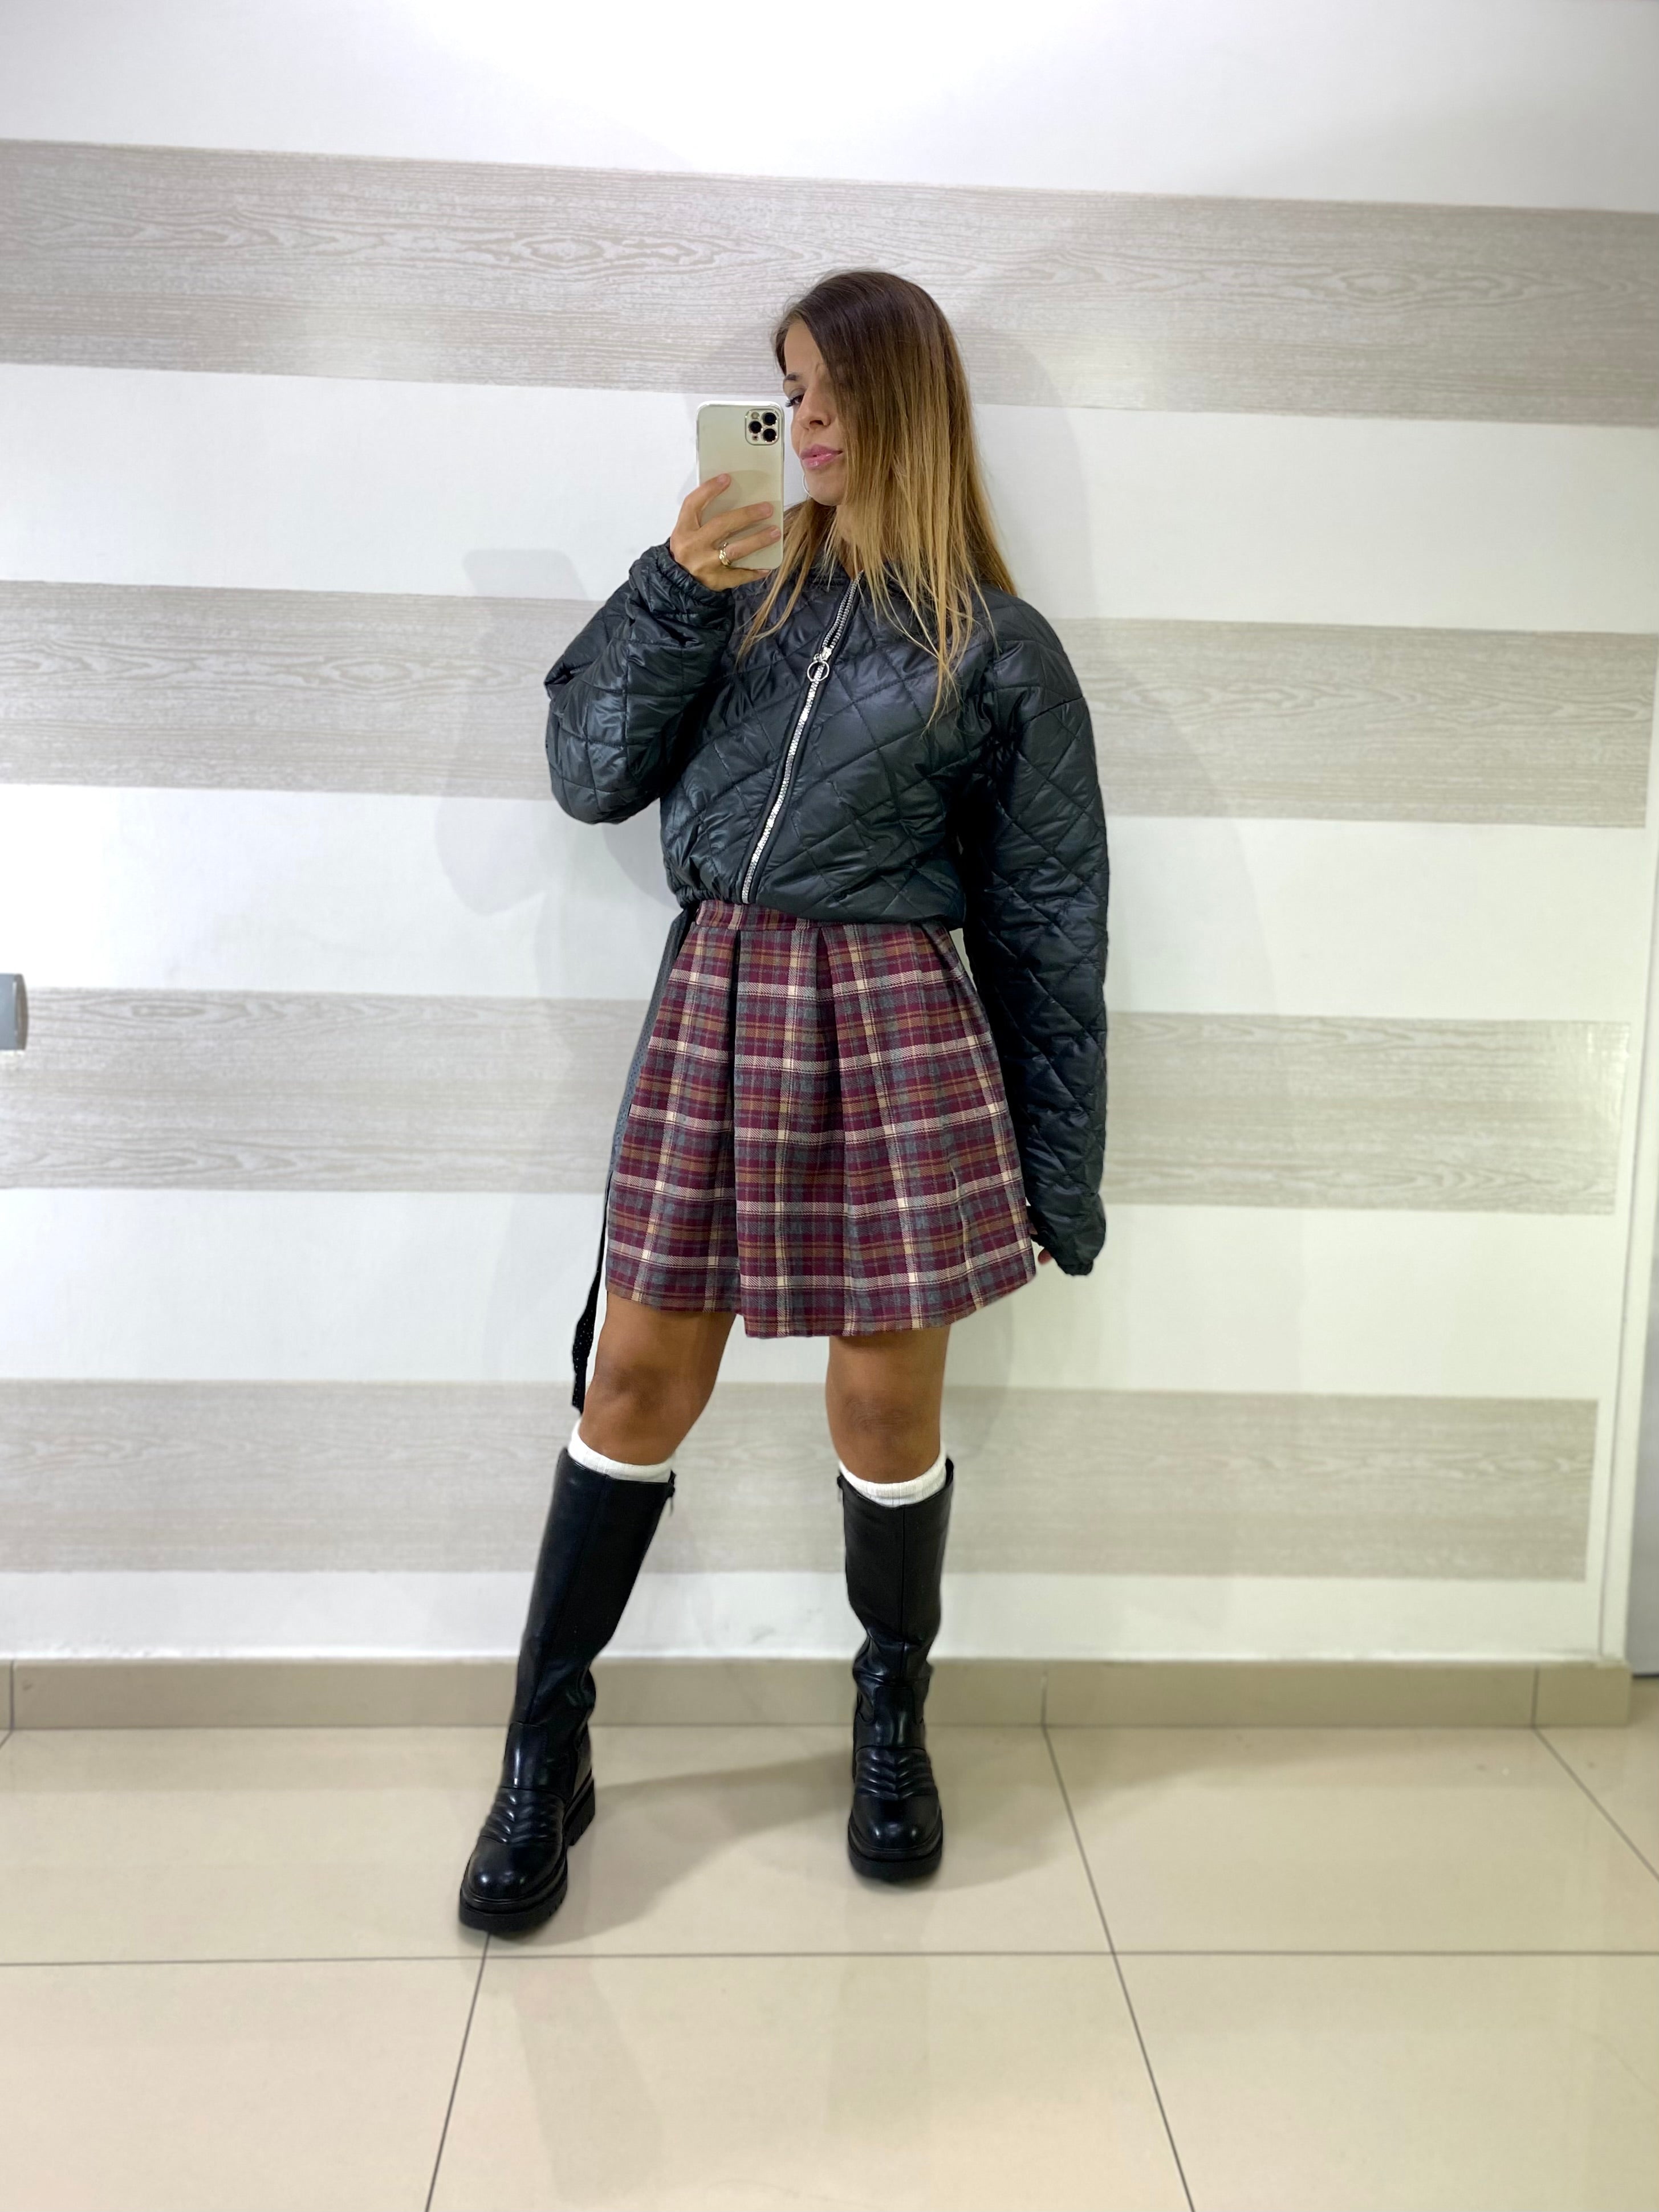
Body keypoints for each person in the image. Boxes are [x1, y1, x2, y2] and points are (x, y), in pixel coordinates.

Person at [458, 268, 1109, 1935]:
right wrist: (674, 586)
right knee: (634, 1383)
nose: (802, 420)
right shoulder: (729, 596)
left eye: (830, 390)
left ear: (907, 405)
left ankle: (891, 1715)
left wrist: (1062, 1175)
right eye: (787, 389)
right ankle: (544, 1747)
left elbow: (1049, 927)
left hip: (897, 1032)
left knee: (886, 1413)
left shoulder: (1001, 650)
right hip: (722, 1007)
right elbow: (589, 776)